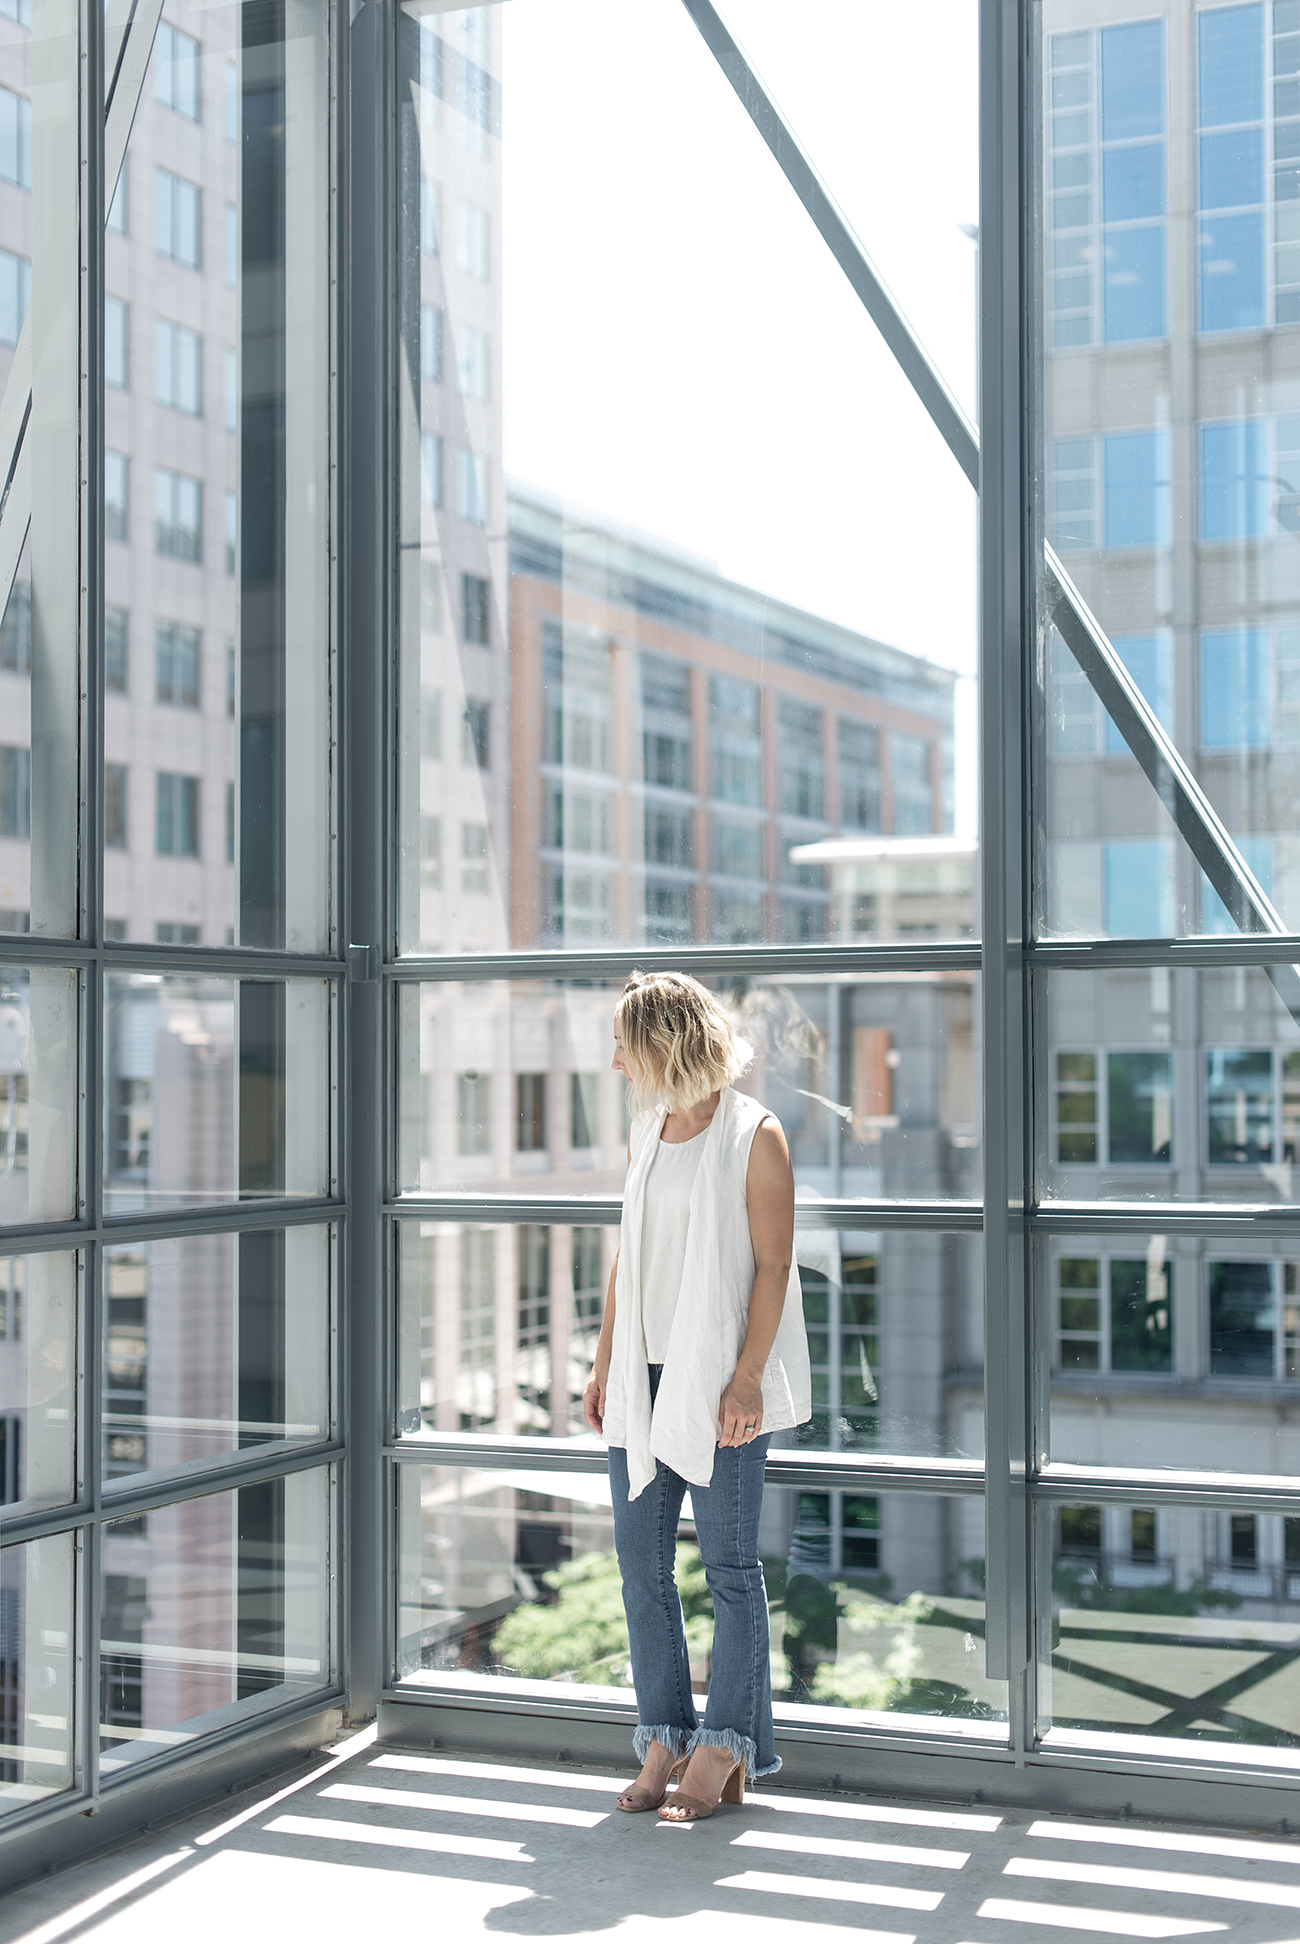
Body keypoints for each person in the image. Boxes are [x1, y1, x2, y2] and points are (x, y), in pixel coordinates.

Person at [582, 970, 811, 1822]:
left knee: (728, 1569)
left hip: (717, 1380)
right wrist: (604, 1363)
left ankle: (723, 1750)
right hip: (642, 1377)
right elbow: (626, 1259)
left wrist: (746, 1378)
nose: (614, 1063)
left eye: (623, 1046)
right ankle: (665, 1736)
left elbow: (774, 1266)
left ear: (662, 1045)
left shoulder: (757, 1134)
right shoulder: (648, 1131)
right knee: (641, 1565)